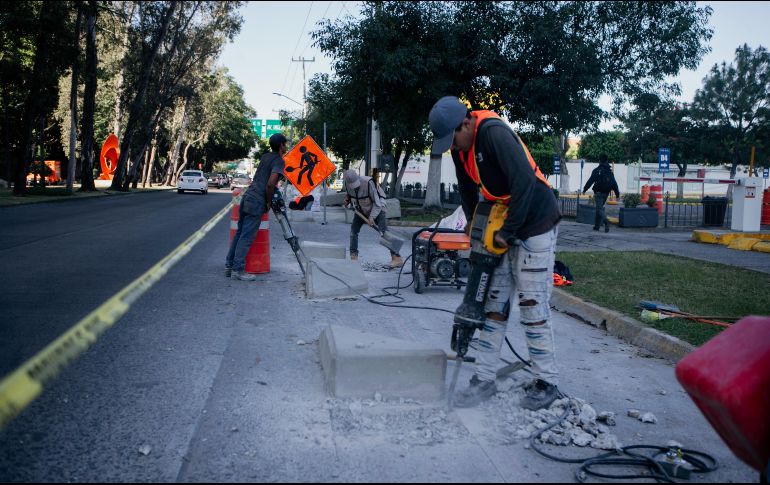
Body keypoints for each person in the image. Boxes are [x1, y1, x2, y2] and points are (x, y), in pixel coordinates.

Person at [429, 96, 562, 410]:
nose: (453, 147)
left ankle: (546, 381)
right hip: (503, 218)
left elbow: (525, 182)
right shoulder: (460, 149)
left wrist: (507, 232)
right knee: (492, 307)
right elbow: (467, 191)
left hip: (535, 221)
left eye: (454, 138)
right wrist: (475, 226)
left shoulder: (493, 133)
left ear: (466, 122)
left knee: (531, 304)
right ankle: (484, 379)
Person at [225, 133, 288, 281]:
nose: (286, 147)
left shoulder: (265, 157)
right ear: (281, 146)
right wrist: (267, 202)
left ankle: (229, 266)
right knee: (247, 236)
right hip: (257, 200)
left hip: (247, 196)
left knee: (240, 233)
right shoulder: (279, 161)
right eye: (285, 144)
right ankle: (238, 270)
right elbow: (271, 183)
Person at [343, 169, 403, 268]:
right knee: (353, 231)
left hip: (378, 209)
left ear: (358, 177)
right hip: (361, 210)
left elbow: (377, 203)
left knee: (384, 233)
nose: (355, 186)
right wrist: (347, 200)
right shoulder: (347, 184)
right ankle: (353, 258)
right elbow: (350, 196)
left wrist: (371, 218)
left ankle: (397, 258)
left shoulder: (369, 183)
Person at [582, 153, 620, 233]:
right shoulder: (610, 171)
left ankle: (606, 222)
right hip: (606, 193)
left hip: (598, 193)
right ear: (606, 161)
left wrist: (585, 189)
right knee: (598, 209)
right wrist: (617, 194)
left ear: (599, 161)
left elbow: (590, 181)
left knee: (599, 209)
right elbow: (614, 183)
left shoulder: (596, 171)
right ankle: (597, 226)